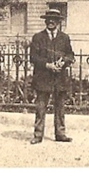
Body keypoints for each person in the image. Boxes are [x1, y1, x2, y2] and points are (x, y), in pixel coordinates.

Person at [29, 8, 75, 144]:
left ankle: (60, 134)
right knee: (41, 107)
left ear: (58, 22)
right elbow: (33, 57)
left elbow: (70, 55)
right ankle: (38, 135)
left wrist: (63, 62)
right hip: (43, 77)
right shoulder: (37, 37)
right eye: (48, 20)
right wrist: (48, 65)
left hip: (59, 78)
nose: (50, 22)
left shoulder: (64, 38)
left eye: (53, 20)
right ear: (45, 21)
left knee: (60, 107)